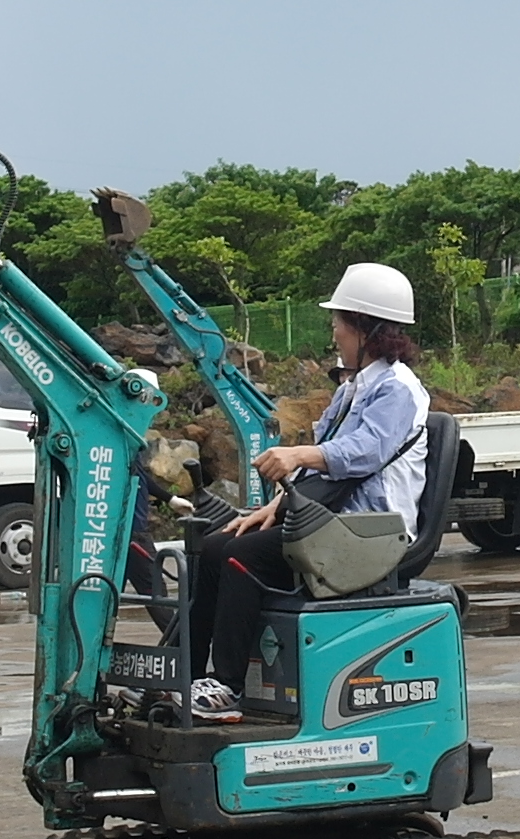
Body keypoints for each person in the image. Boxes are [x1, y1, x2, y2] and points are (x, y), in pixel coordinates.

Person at [178, 263, 431, 721]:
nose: (333, 332)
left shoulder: (398, 390)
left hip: (369, 533)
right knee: (217, 548)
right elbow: (328, 470)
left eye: (339, 321)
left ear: (366, 327)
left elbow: (365, 451)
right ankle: (189, 676)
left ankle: (229, 688)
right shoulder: (352, 387)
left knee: (243, 558)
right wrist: (272, 508)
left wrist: (298, 456)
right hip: (332, 525)